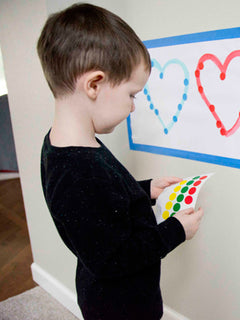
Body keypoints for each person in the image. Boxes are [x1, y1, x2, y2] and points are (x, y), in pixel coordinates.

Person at [37, 3, 204, 319]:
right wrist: (175, 230)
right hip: (119, 305)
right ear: (94, 84)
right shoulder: (75, 171)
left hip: (118, 294)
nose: (133, 106)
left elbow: (103, 205)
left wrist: (146, 190)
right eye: (131, 94)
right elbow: (114, 258)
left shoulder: (69, 146)